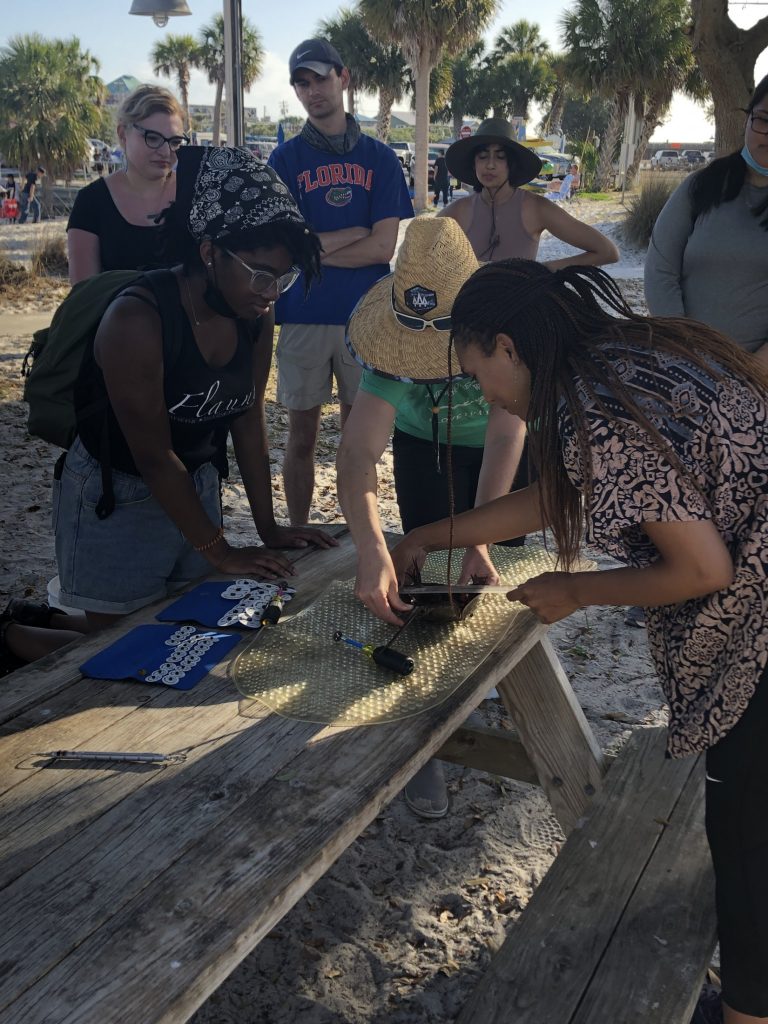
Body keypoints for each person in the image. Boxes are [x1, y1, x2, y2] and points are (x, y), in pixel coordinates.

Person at [390, 257, 768, 1024]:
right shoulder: (625, 352)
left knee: (746, 835)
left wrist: (577, 590)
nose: (484, 393)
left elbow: (701, 569)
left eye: (478, 373)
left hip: (757, 631)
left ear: (506, 345)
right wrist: (432, 535)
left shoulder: (602, 411)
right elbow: (557, 493)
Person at [0, 146, 337, 675]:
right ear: (209, 252)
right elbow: (154, 456)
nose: (272, 294)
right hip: (118, 493)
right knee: (124, 654)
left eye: (284, 279)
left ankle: (41, 621)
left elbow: (247, 418)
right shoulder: (136, 321)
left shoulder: (253, 313)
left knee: (182, 637)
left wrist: (269, 528)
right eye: (262, 274)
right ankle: (12, 635)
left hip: (195, 482)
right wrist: (221, 551)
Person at [338, 216, 528, 817]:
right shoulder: (392, 346)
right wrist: (370, 547)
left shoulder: (509, 326)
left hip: (501, 437)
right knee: (426, 584)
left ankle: (495, 688)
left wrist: (483, 538)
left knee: (496, 577)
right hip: (425, 442)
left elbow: (505, 433)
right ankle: (430, 738)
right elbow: (357, 454)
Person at [268, 38, 413, 526]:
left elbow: (382, 247)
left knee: (359, 442)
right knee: (301, 436)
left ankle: (359, 533)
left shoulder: (381, 159)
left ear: (343, 78)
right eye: (301, 84)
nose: (312, 92)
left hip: (367, 318)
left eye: (320, 79)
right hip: (303, 316)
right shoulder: (284, 163)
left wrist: (316, 247)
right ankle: (299, 530)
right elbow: (284, 248)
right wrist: (352, 231)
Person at [645, 74, 768, 370]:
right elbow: (660, 269)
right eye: (763, 119)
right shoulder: (701, 186)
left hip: (757, 381)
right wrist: (685, 352)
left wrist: (749, 375)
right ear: (747, 119)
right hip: (681, 364)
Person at [442, 121, 616, 269]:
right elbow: (418, 251)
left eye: (500, 157)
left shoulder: (536, 208)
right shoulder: (458, 211)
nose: (490, 165)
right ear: (474, 164)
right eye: (482, 156)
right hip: (470, 307)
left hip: (522, 306)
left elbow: (607, 251)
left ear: (512, 164)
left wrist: (541, 270)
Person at [67, 85, 186, 284]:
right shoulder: (92, 202)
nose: (166, 151)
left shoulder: (194, 194)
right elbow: (84, 298)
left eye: (174, 142)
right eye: (153, 138)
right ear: (123, 134)